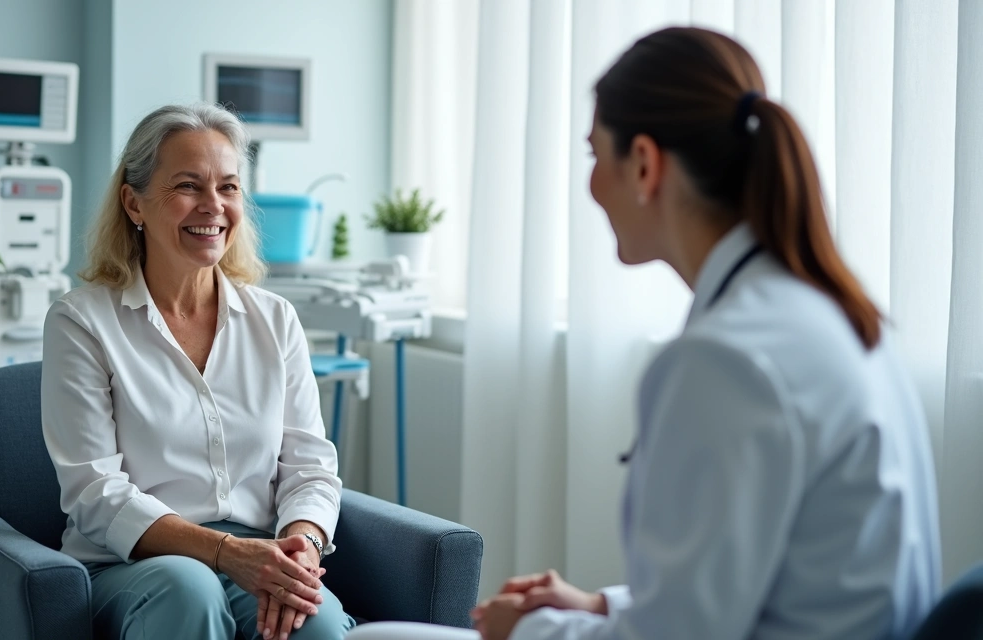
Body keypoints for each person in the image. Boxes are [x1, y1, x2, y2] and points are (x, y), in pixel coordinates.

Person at [347, 25, 941, 640]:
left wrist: (522, 631)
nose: (592, 185)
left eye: (593, 155)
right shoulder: (831, 315)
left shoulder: (723, 361)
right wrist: (598, 606)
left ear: (645, 164)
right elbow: (749, 590)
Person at [41, 103, 355, 640]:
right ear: (133, 202)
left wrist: (300, 542)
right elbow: (94, 491)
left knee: (317, 622)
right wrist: (226, 553)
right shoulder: (82, 320)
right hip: (133, 562)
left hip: (258, 552)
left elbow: (310, 466)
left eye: (229, 187)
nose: (213, 206)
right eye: (188, 185)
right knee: (190, 591)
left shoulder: (275, 320)